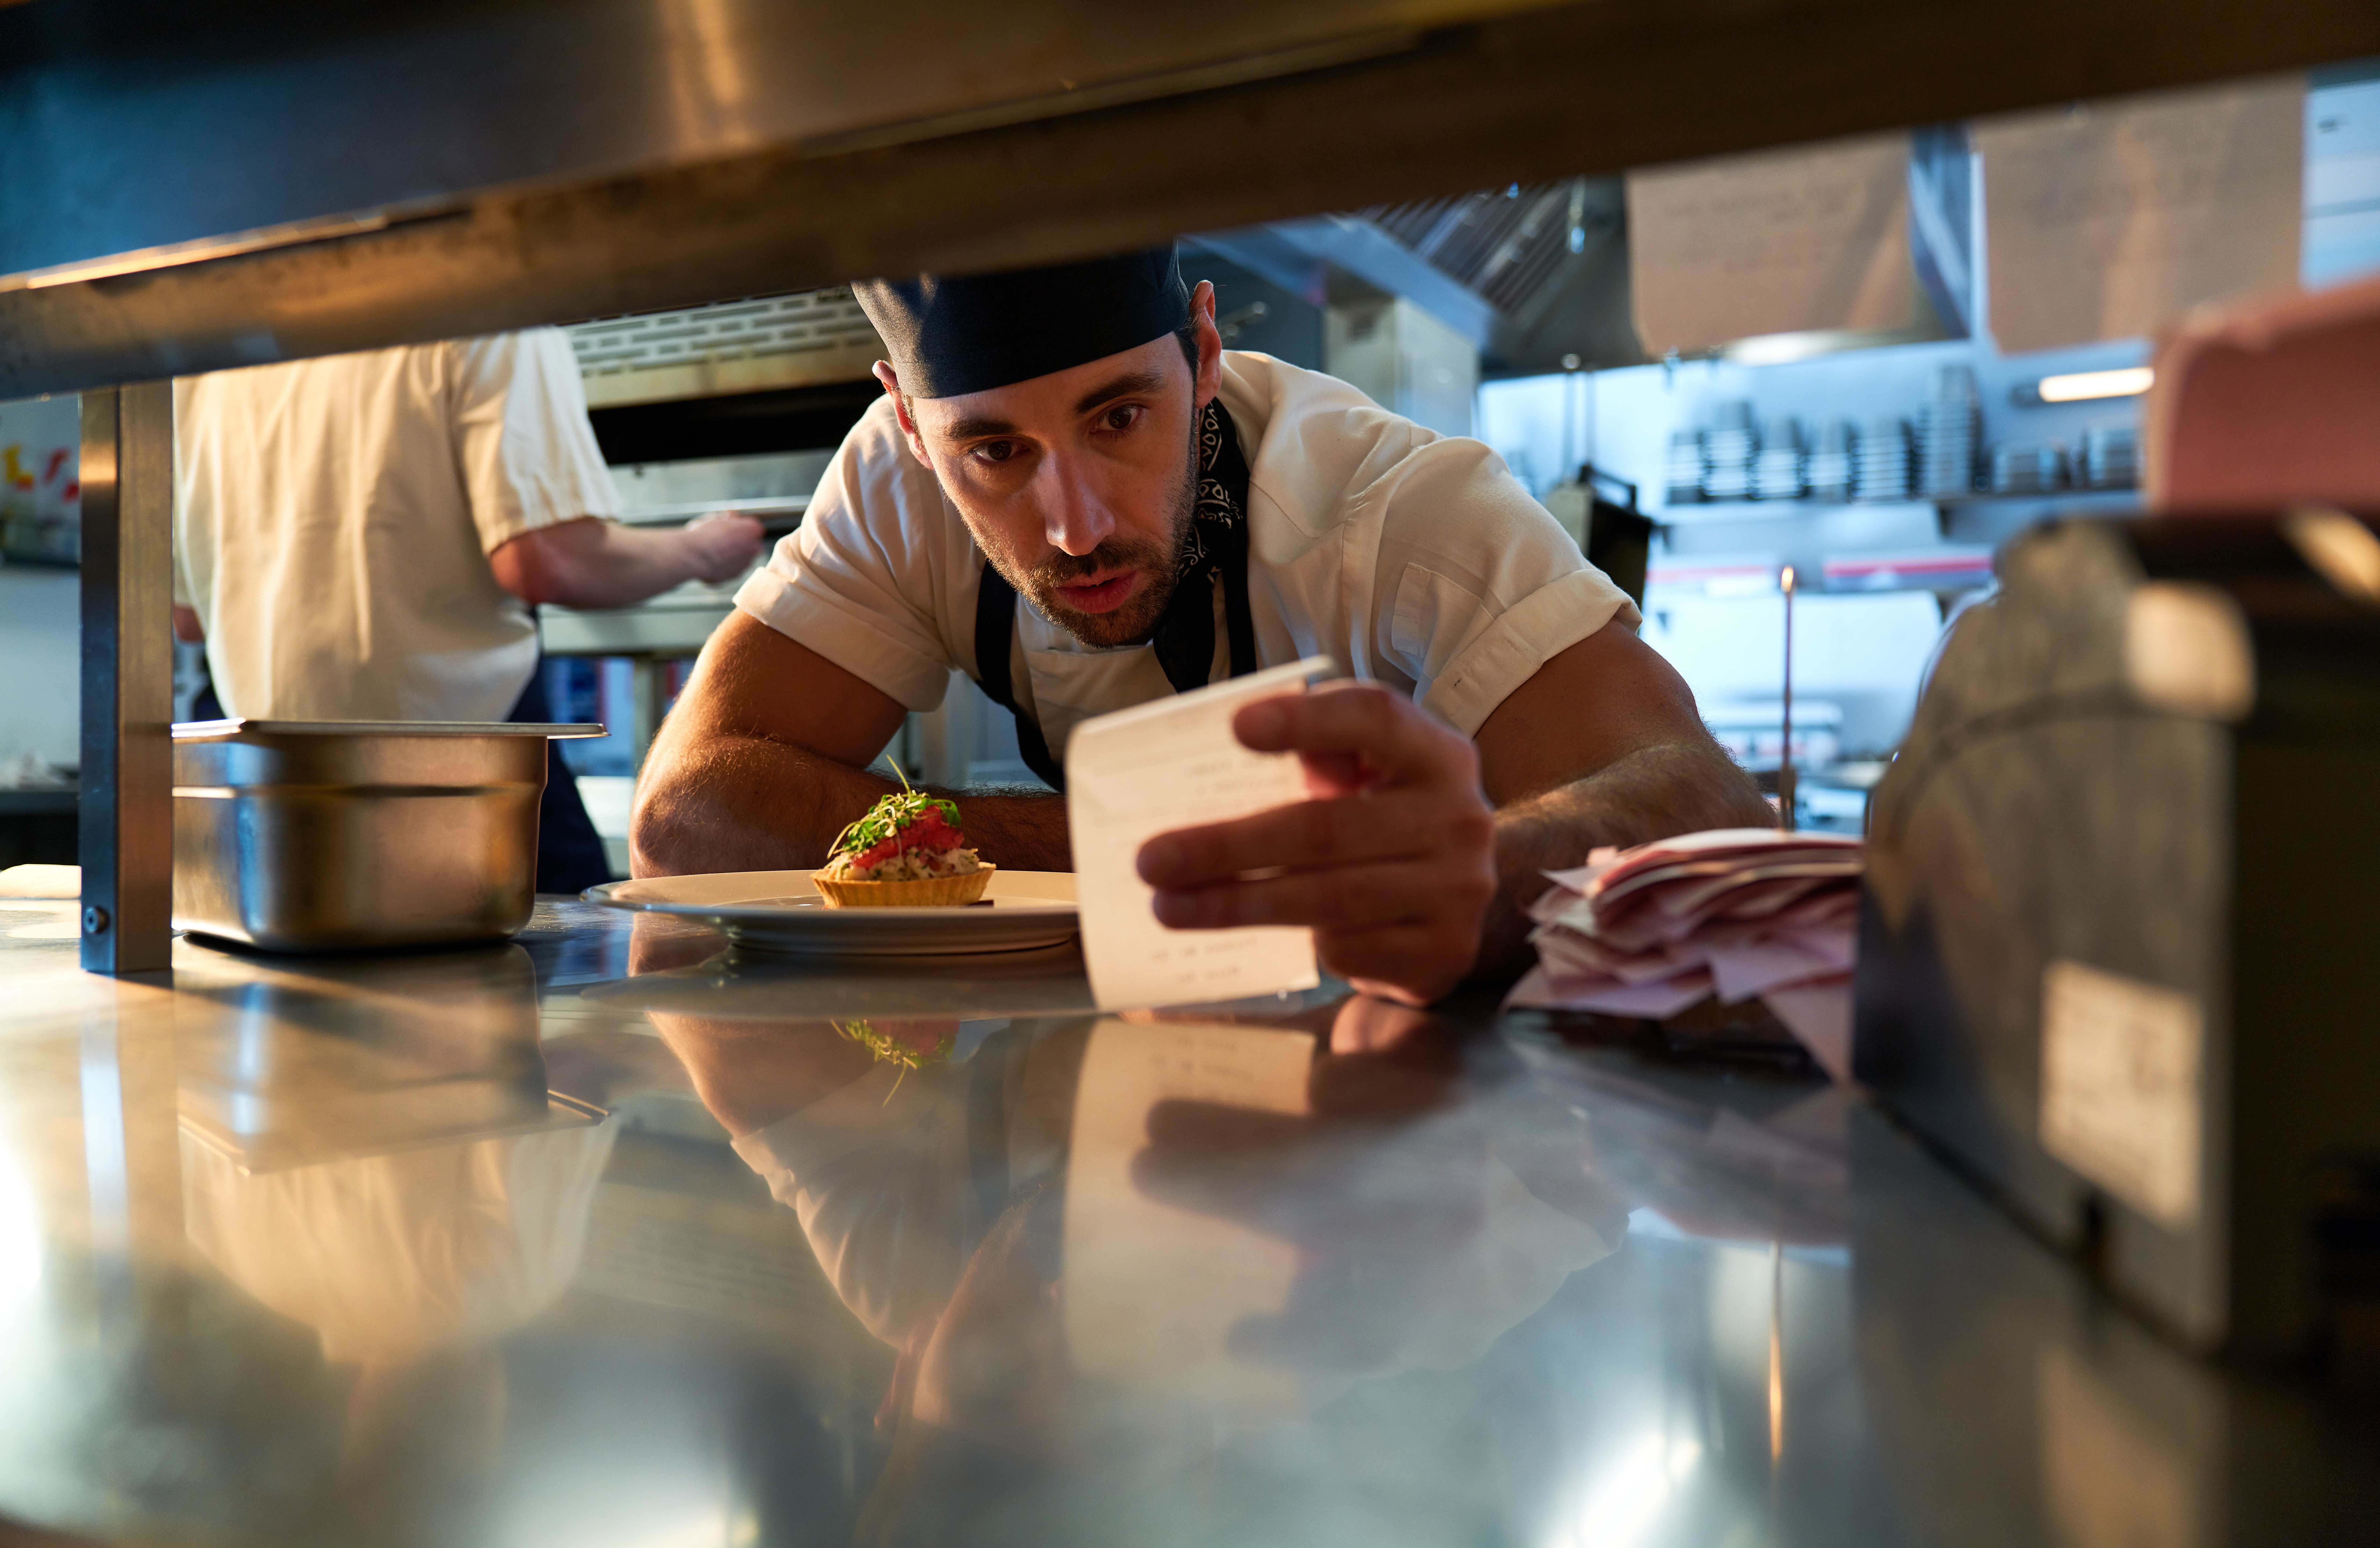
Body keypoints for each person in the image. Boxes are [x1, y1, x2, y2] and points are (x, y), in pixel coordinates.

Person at [631, 248, 1770, 1003]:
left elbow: (1699, 800)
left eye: (1120, 416)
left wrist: (1474, 873)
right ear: (912, 429)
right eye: (994, 453)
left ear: (1205, 351)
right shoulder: (893, 485)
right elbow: (691, 812)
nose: (1071, 529)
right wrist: (1156, 846)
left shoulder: (1391, 509)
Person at [172, 329, 764, 893]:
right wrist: (700, 550)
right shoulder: (487, 317)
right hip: (460, 780)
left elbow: (189, 617)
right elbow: (544, 559)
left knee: (291, 994)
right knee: (539, 983)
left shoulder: (208, 359)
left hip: (261, 778)